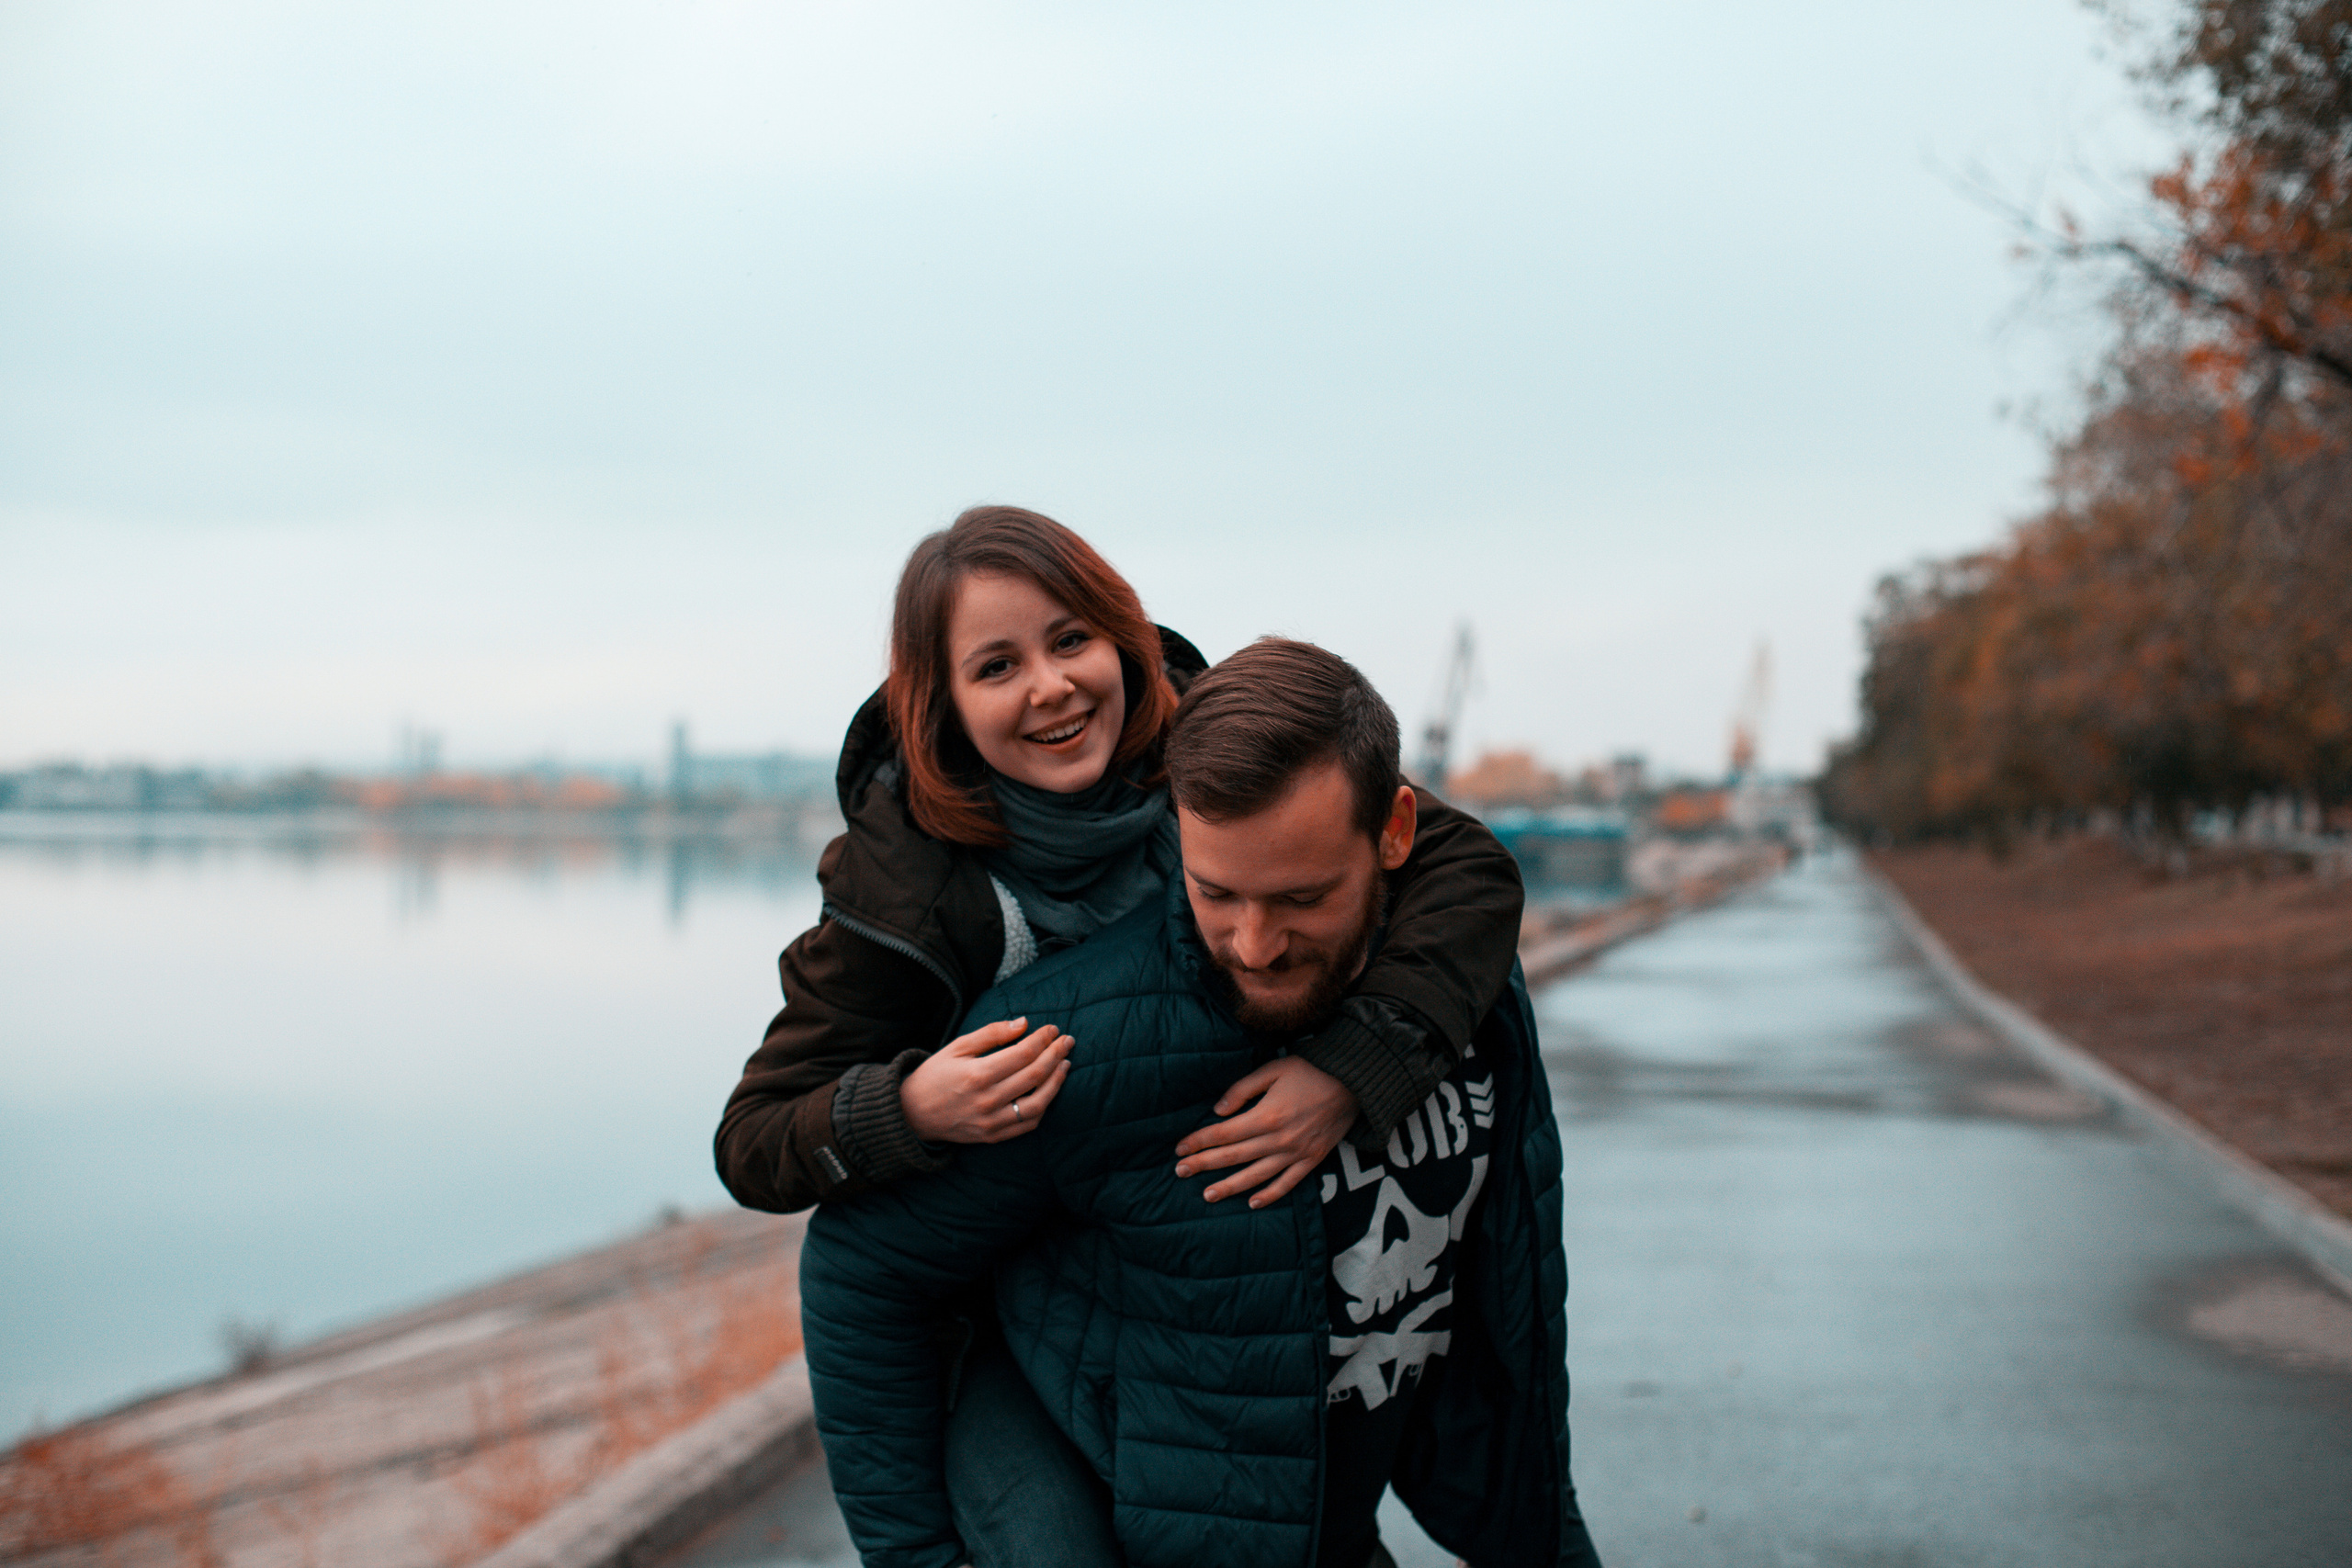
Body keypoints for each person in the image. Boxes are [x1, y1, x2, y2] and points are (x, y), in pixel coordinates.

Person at [713, 506, 1530, 1562]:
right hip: (977, 1306)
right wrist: (907, 1105)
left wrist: (1350, 1068)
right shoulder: (905, 888)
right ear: (944, 704)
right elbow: (754, 1143)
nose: (1050, 687)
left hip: (1164, 1260)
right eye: (995, 665)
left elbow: (1458, 865)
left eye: (1070, 641)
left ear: (1125, 643)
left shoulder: (1202, 750)